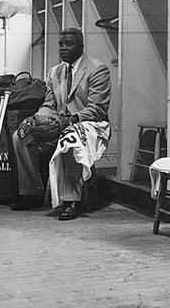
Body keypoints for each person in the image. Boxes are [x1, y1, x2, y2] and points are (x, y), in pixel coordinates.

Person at [11, 27, 111, 220]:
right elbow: (49, 104)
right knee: (20, 135)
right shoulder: (54, 72)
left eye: (69, 44)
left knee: (69, 138)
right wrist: (37, 120)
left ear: (81, 46)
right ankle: (32, 192)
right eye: (61, 44)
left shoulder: (98, 69)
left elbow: (97, 108)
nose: (63, 48)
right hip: (60, 122)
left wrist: (71, 120)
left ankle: (72, 200)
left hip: (90, 124)